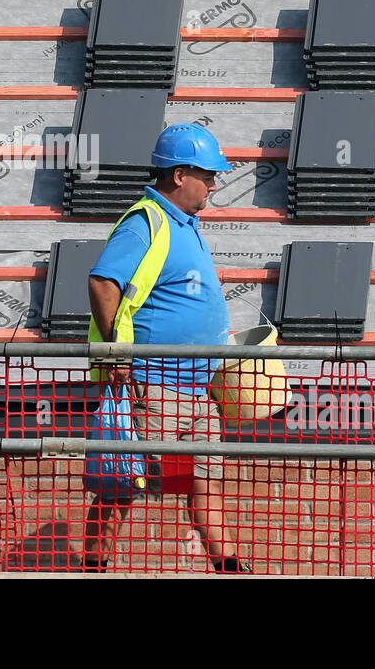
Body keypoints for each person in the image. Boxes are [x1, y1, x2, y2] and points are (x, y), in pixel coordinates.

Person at [79, 122, 252, 574]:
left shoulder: (186, 225)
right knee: (123, 483)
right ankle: (93, 566)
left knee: (205, 485)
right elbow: (102, 281)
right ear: (179, 175)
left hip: (196, 389)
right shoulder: (146, 220)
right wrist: (118, 354)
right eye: (207, 175)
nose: (214, 184)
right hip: (155, 384)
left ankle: (229, 567)